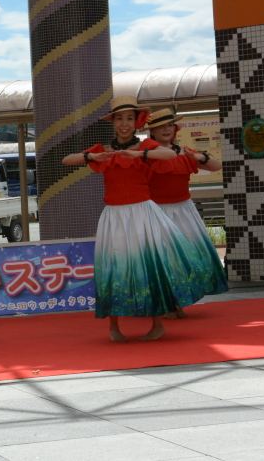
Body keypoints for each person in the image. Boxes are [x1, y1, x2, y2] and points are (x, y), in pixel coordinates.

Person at [62, 95, 215, 342]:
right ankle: (114, 327)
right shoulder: (104, 150)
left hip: (142, 212)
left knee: (150, 265)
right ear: (113, 123)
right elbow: (66, 160)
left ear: (136, 122)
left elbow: (169, 155)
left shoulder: (146, 147)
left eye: (129, 119)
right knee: (113, 267)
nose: (124, 123)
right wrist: (90, 157)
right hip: (114, 215)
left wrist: (141, 155)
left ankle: (157, 325)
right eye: (119, 119)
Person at [147, 109, 228, 318]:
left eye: (170, 125)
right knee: (166, 259)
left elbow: (216, 166)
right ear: (152, 131)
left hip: (184, 211)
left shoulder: (184, 152)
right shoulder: (147, 154)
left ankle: (179, 302)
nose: (166, 129)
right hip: (158, 212)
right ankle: (169, 304)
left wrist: (200, 156)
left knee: (187, 257)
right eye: (161, 126)